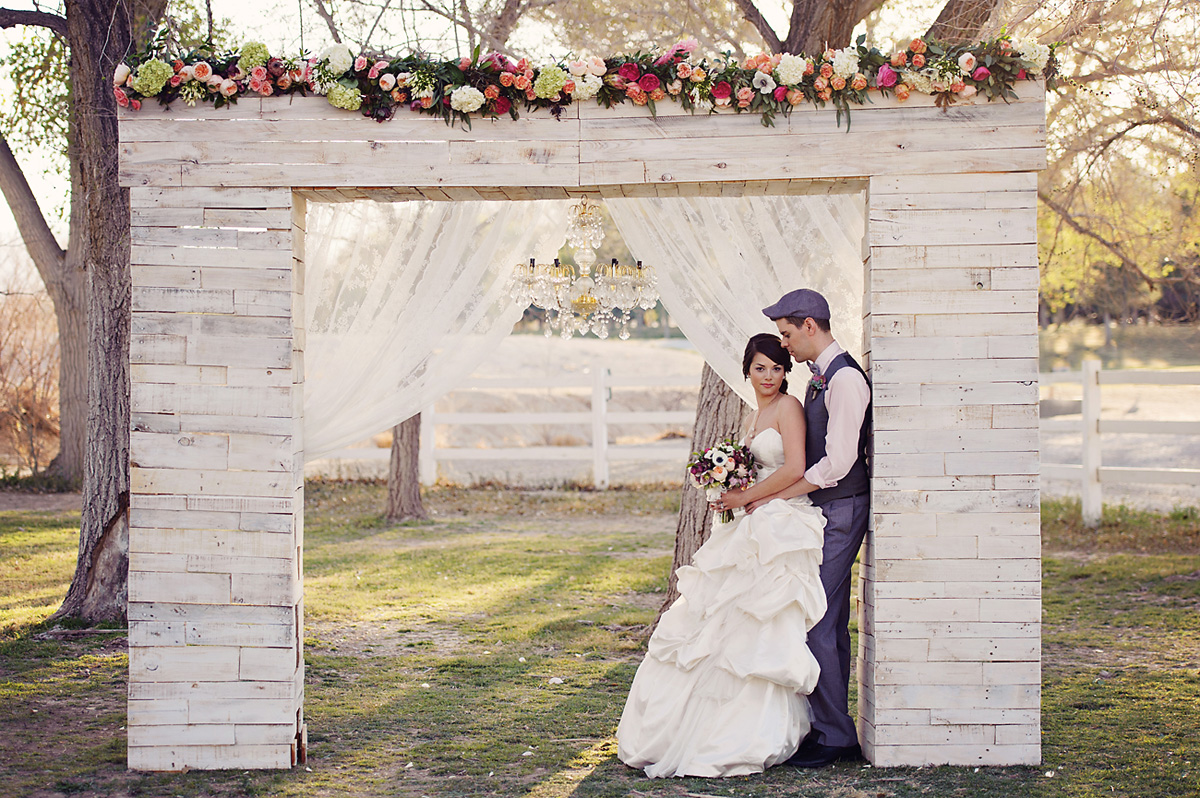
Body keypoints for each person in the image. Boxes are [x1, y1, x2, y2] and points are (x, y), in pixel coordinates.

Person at [617, 333, 829, 778]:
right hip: (756, 512)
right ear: (747, 371)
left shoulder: (788, 408)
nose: (769, 376)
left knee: (760, 616)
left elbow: (794, 467)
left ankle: (748, 728)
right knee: (717, 616)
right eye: (760, 368)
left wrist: (746, 496)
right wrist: (730, 489)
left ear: (784, 372)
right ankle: (693, 724)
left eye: (776, 368)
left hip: (779, 519)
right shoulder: (757, 413)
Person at [722, 288, 871, 769]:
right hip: (823, 508)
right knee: (827, 621)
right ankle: (829, 727)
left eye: (787, 335)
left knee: (815, 618)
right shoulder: (819, 378)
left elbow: (839, 462)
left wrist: (774, 495)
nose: (783, 346)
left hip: (842, 507)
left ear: (811, 326)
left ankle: (834, 737)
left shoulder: (845, 380)